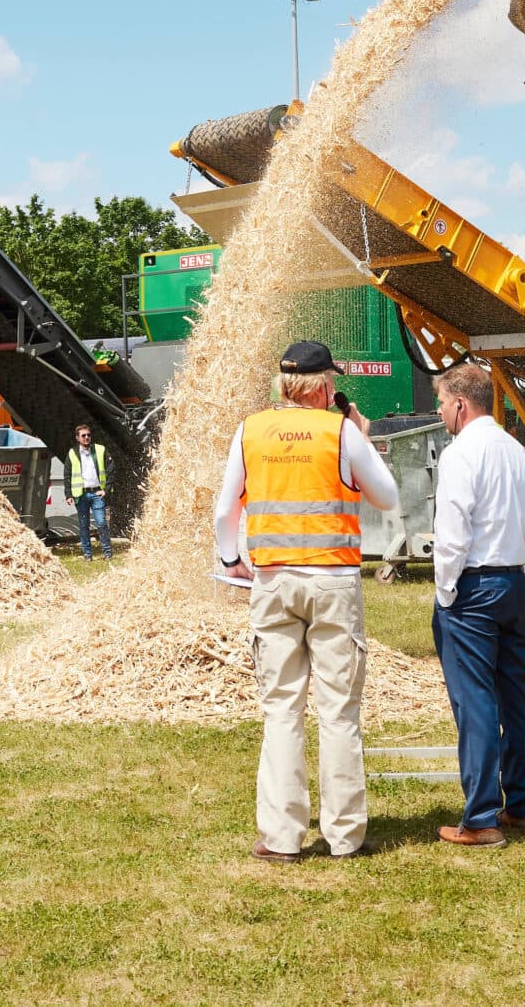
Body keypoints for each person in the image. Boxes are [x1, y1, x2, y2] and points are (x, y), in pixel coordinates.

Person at [213, 340, 400, 863]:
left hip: (273, 582)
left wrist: (232, 559)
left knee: (281, 711)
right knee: (338, 711)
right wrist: (361, 437)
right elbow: (387, 496)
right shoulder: (340, 430)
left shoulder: (249, 430)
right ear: (321, 387)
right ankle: (344, 837)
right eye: (332, 383)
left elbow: (226, 507)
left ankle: (281, 836)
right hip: (332, 582)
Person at [428, 361, 525, 847]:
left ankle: (479, 818)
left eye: (441, 404)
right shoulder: (516, 450)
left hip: (472, 586)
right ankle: (521, 802)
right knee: (516, 693)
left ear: (460, 404)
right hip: (512, 581)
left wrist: (445, 591)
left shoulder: (461, 453)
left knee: (475, 699)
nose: (439, 412)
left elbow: (452, 530)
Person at [68, 424, 114, 560]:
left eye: (88, 435)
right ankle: (88, 554)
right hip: (80, 495)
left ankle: (107, 552)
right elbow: (67, 475)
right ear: (77, 438)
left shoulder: (100, 450)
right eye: (83, 435)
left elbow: (111, 469)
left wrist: (106, 489)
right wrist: (68, 494)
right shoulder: (72, 453)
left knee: (101, 523)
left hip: (97, 494)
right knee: (84, 525)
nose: (87, 437)